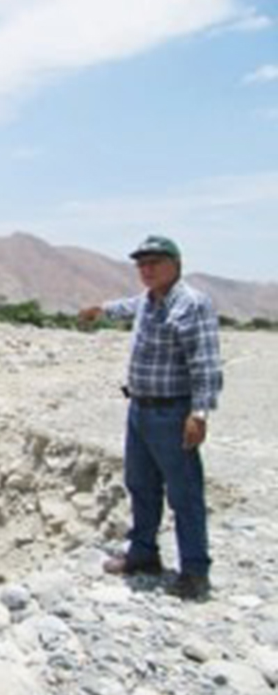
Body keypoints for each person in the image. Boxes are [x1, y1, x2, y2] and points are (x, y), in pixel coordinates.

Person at [79, 235, 223, 601]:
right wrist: (100, 310)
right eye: (141, 264)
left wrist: (199, 413)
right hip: (140, 409)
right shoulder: (147, 301)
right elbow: (125, 307)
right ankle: (143, 554)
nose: (146, 270)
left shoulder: (191, 304)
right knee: (140, 484)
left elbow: (205, 364)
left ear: (175, 264)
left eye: (154, 262)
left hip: (172, 412)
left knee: (184, 492)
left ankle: (194, 570)